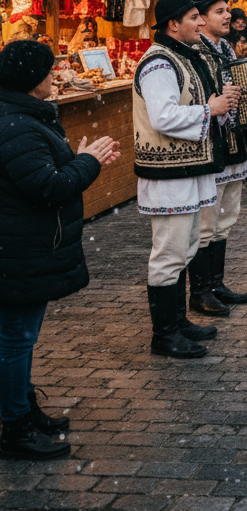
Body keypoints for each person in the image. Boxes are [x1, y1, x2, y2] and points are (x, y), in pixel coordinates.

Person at [0, 42, 118, 460]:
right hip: (17, 251)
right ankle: (14, 425)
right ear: (32, 80)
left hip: (23, 247)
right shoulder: (17, 123)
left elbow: (43, 172)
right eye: (50, 72)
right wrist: (86, 161)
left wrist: (78, 157)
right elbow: (46, 187)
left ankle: (21, 410)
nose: (55, 77)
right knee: (15, 339)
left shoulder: (24, 117)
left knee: (20, 338)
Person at [133, 0, 240, 358]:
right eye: (194, 17)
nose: (200, 23)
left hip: (187, 169)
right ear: (172, 25)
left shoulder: (182, 57)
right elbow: (163, 117)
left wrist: (219, 107)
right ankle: (164, 334)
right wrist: (208, 110)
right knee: (169, 252)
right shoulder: (159, 63)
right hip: (168, 173)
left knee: (187, 246)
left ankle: (177, 322)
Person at [190, 0, 247, 314]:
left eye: (227, 10)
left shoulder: (225, 48)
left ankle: (216, 282)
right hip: (211, 145)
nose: (228, 16)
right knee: (206, 220)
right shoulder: (196, 52)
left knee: (226, 216)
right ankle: (200, 291)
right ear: (200, 18)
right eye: (219, 11)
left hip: (233, 142)